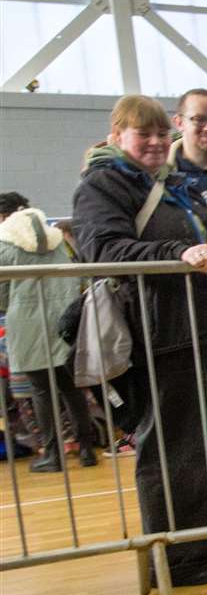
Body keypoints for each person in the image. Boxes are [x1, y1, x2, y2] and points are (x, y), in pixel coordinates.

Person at [73, 95, 207, 586]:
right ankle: (184, 555)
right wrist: (176, 251)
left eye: (163, 134)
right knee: (175, 446)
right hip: (161, 331)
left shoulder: (176, 185)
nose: (158, 142)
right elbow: (101, 248)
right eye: (146, 134)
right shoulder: (102, 185)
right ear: (118, 134)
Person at [0, 192, 99, 471]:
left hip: (26, 326)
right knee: (71, 388)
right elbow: (77, 275)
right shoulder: (57, 239)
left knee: (41, 391)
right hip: (64, 321)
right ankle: (87, 450)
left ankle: (53, 455)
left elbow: (1, 295)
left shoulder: (3, 244)